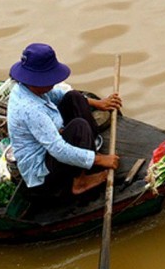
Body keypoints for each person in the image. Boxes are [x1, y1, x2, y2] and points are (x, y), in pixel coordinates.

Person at [7, 43, 121, 200]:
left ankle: (88, 154)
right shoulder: (29, 109)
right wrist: (101, 160)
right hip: (42, 172)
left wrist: (98, 103)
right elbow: (58, 150)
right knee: (79, 127)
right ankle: (79, 182)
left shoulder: (30, 89)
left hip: (51, 148)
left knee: (74, 97)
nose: (53, 82)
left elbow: (59, 95)